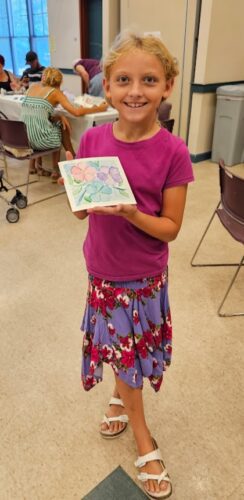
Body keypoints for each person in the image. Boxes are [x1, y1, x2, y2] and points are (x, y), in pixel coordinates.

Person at [61, 32, 194, 499]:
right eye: (123, 80)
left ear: (168, 86)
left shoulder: (173, 152)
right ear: (108, 88)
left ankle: (121, 398)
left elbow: (171, 227)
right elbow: (81, 211)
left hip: (143, 278)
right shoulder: (94, 138)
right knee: (123, 355)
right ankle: (143, 437)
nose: (135, 90)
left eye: (149, 80)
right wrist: (77, 192)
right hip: (102, 272)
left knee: (131, 355)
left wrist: (131, 211)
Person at [21, 67, 107, 181]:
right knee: (61, 126)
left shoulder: (32, 87)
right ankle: (63, 165)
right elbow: (76, 112)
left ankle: (36, 166)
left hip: (24, 139)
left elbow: (37, 114)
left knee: (52, 124)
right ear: (59, 82)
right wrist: (99, 108)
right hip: (40, 140)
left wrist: (59, 116)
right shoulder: (55, 92)